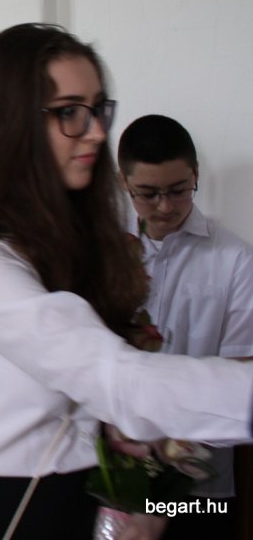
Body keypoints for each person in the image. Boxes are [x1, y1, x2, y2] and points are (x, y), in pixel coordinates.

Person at [0, 23, 253, 539]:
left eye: (97, 109)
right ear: (9, 126)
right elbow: (117, 379)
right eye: (69, 112)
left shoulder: (66, 246)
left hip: (100, 491)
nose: (96, 131)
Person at [117, 114, 253, 539]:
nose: (165, 206)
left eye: (178, 190)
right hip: (112, 473)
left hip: (199, 484)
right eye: (148, 194)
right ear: (124, 183)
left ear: (195, 174)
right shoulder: (104, 252)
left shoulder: (235, 259)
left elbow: (241, 372)